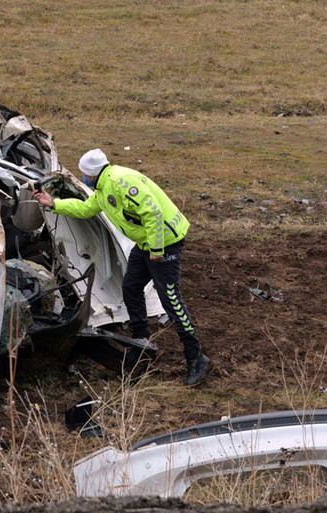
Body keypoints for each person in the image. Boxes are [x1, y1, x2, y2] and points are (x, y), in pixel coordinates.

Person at [33, 148, 210, 385]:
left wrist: (157, 250)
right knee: (131, 287)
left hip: (165, 242)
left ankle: (195, 356)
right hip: (146, 242)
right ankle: (141, 341)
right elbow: (86, 209)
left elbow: (153, 213)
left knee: (171, 299)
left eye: (83, 174)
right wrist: (53, 203)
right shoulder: (104, 187)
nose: (82, 177)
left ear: (91, 174)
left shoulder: (120, 182)